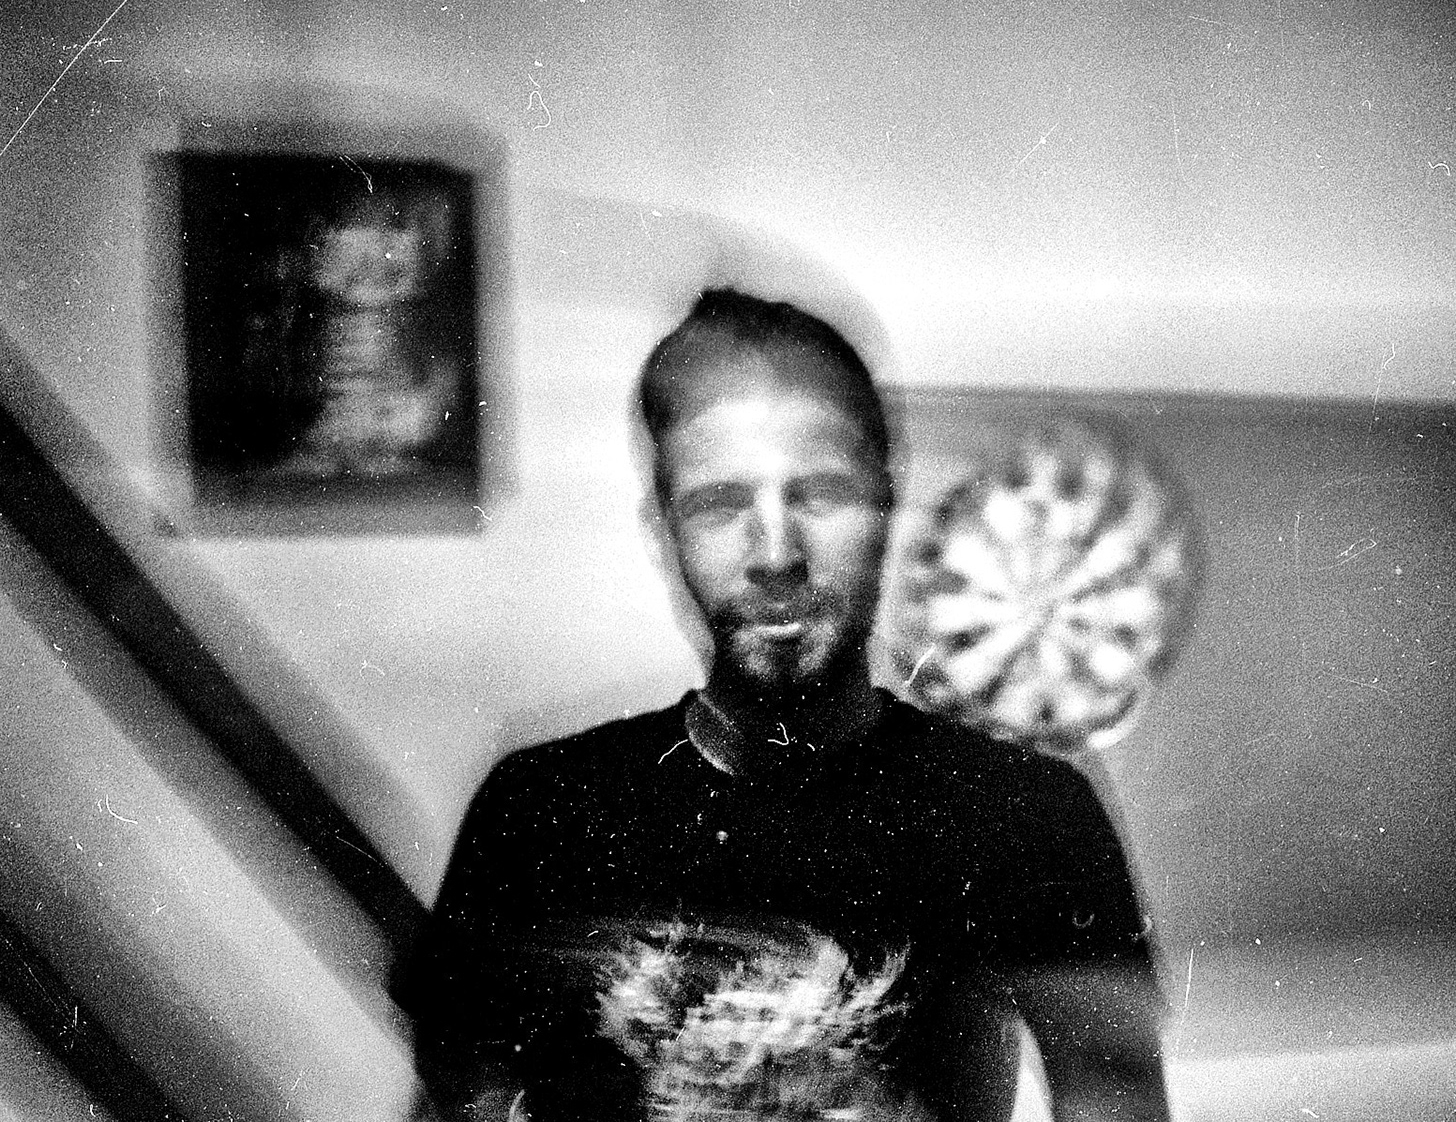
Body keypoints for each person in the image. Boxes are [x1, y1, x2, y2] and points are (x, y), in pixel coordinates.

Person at [396, 289, 1171, 1122]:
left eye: (820, 494)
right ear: (664, 532)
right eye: (720, 504)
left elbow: (1116, 1101)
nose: (774, 554)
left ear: (886, 501)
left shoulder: (1027, 814)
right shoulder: (537, 813)